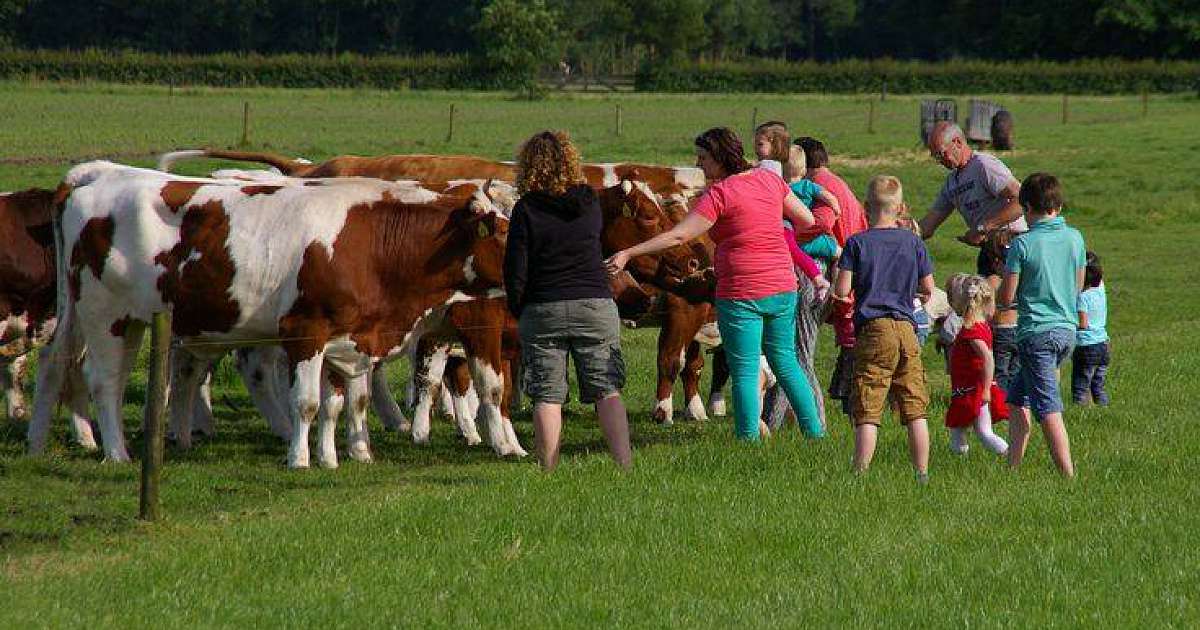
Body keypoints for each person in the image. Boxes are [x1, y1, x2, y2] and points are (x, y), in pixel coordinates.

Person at [606, 127, 823, 441]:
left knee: (747, 368)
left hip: (742, 291)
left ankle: (748, 441)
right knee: (786, 361)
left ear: (720, 158)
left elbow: (681, 235)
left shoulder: (719, 194)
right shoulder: (770, 180)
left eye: (704, 157)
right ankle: (815, 434)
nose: (699, 163)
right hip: (782, 285)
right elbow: (806, 220)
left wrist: (629, 252)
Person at [503, 130, 632, 471]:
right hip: (594, 303)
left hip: (543, 305)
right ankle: (624, 464)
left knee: (547, 394)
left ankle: (549, 470)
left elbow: (515, 269)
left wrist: (521, 308)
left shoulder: (526, 209)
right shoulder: (589, 201)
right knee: (607, 388)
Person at [833, 175, 933, 480]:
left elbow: (842, 289)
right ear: (901, 208)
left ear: (865, 208)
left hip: (873, 329)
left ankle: (860, 473)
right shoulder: (914, 242)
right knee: (914, 405)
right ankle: (922, 473)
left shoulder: (856, 243)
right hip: (907, 327)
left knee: (868, 402)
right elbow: (927, 289)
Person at [920, 121, 1025, 391]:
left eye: (940, 153)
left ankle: (999, 382)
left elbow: (1021, 199)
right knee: (993, 308)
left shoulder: (985, 166)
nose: (938, 159)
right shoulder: (952, 182)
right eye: (934, 155)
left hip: (1009, 244)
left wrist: (984, 226)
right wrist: (898, 234)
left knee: (997, 308)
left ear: (958, 142)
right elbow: (929, 224)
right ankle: (999, 383)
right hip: (989, 249)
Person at [998, 172, 1085, 477]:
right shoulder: (1076, 238)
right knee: (1017, 398)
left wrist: (1005, 287)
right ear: (1057, 205)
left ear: (1026, 208)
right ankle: (1013, 467)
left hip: (1036, 334)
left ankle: (1067, 475)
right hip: (1067, 331)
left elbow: (1007, 296)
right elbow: (1078, 285)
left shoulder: (1022, 246)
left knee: (1048, 408)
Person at [794, 137, 868, 418]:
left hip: (838, 274)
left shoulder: (820, 186)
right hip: (852, 273)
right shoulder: (841, 185)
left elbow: (823, 222)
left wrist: (789, 236)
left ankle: (817, 416)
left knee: (801, 349)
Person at [944, 274, 1010, 456]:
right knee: (958, 428)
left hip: (973, 389)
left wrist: (987, 388)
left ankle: (1010, 456)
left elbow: (987, 358)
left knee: (983, 432)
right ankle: (959, 461)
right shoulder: (980, 327)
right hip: (967, 387)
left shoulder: (972, 330)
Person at [1072, 251, 1110, 406]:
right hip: (1103, 343)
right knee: (1098, 387)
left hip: (1086, 347)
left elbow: (1083, 323)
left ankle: (1080, 412)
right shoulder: (1100, 287)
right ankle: (1104, 408)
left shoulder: (1082, 297)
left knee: (1080, 387)